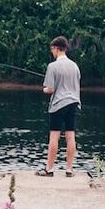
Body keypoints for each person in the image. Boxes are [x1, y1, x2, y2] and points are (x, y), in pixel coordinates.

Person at [37, 36, 81, 177]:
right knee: (70, 136)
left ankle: (49, 169)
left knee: (54, 136)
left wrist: (44, 90)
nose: (52, 52)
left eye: (52, 49)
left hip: (58, 105)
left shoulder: (52, 66)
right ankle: (69, 170)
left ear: (56, 48)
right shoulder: (75, 66)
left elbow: (50, 89)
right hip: (73, 102)